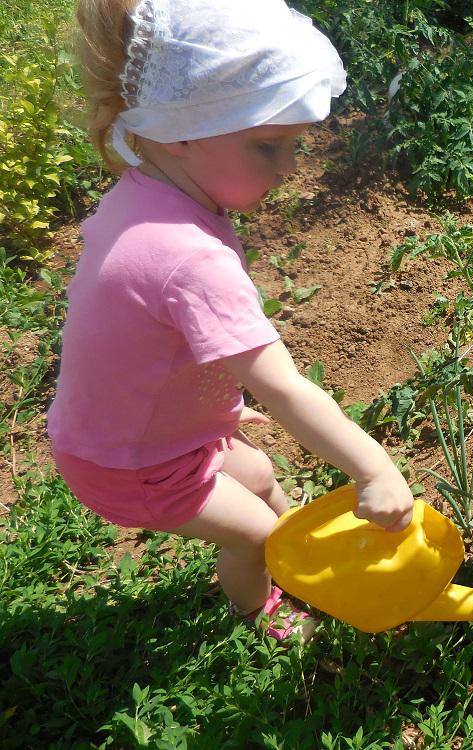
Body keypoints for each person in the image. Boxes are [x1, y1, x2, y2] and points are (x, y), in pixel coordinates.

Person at [47, 0, 414, 641]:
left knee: (263, 476)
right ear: (182, 130)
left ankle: (299, 561)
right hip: (129, 463)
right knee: (256, 536)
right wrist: (374, 471)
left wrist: (204, 405)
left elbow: (136, 340)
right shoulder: (187, 257)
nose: (290, 168)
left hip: (143, 434)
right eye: (269, 146)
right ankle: (260, 611)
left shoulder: (145, 195)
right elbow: (283, 385)